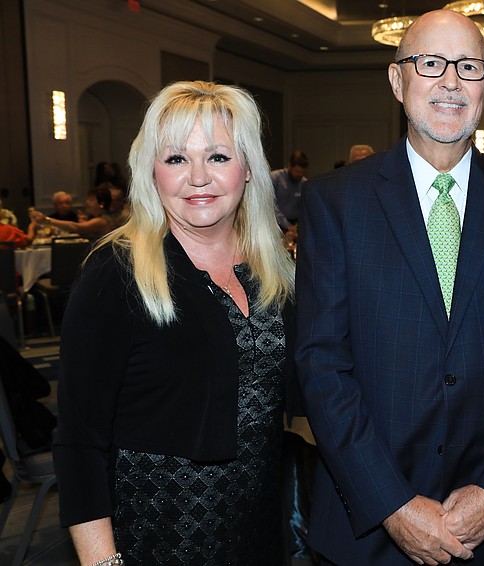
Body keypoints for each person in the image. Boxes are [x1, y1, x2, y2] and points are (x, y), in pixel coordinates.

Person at [295, 10, 484, 566]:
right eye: (431, 63)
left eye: (469, 67)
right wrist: (394, 503)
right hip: (369, 526)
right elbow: (321, 364)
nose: (451, 81)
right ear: (397, 80)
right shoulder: (336, 202)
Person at [53, 81, 297, 564]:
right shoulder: (116, 272)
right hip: (157, 536)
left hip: (259, 528)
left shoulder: (274, 271)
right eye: (176, 159)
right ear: (151, 170)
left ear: (248, 169)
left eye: (219, 157)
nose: (198, 178)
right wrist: (102, 560)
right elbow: (79, 437)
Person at [30, 186, 114, 239]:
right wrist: (86, 223)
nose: (87, 202)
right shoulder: (96, 218)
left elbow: (75, 227)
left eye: (91, 200)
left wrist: (47, 220)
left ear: (101, 204)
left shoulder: (102, 221)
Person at [270, 149, 309, 226]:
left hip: (296, 223)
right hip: (276, 223)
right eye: (297, 171)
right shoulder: (275, 178)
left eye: (302, 172)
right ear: (289, 166)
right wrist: (287, 225)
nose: (299, 175)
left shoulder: (304, 183)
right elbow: (271, 205)